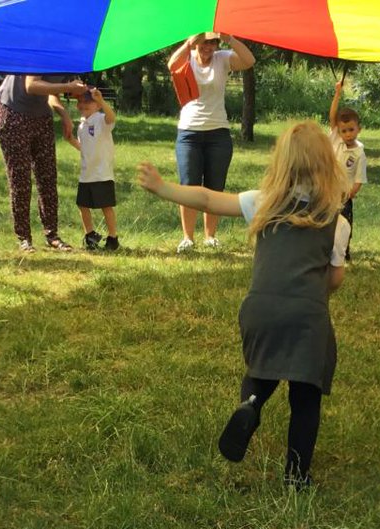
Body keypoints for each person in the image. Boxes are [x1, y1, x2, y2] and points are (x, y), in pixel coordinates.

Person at [137, 121, 350, 487]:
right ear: (327, 165)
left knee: (261, 371)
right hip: (306, 313)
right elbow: (335, 278)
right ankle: (296, 476)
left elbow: (206, 198)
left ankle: (250, 405)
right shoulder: (336, 220)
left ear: (280, 163)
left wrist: (162, 187)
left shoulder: (262, 202)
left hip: (259, 308)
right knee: (306, 396)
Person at [169, 32, 256, 253]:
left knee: (215, 186)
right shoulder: (187, 56)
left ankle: (210, 236)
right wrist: (188, 42)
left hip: (218, 132)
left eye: (213, 42)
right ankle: (188, 238)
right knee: (189, 185)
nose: (209, 47)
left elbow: (249, 60)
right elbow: (171, 65)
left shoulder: (223, 58)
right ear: (196, 42)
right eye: (204, 42)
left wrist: (230, 39)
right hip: (189, 132)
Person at [0, 72, 90, 251]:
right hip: (13, 110)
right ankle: (24, 237)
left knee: (47, 175)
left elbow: (51, 93)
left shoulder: (66, 59)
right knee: (20, 177)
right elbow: (32, 85)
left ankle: (52, 235)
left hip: (41, 115)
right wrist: (68, 87)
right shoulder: (41, 46)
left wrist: (63, 114)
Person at [67, 87, 119, 251]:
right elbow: (84, 148)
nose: (83, 105)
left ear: (97, 106)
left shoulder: (101, 119)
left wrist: (102, 101)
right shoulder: (82, 125)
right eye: (80, 102)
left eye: (88, 102)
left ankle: (113, 237)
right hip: (86, 174)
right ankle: (90, 234)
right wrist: (71, 140)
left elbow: (112, 118)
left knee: (106, 206)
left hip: (102, 173)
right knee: (83, 205)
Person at [328, 79, 367, 261]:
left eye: (351, 129)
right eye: (344, 131)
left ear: (358, 129)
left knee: (345, 223)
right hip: (329, 191)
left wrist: (352, 192)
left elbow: (359, 177)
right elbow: (332, 116)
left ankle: (344, 249)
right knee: (327, 220)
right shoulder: (336, 140)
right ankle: (327, 248)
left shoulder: (359, 152)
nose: (347, 134)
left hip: (345, 195)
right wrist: (337, 94)